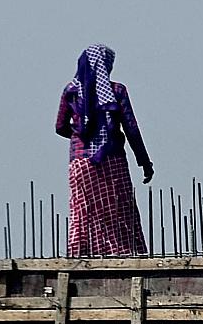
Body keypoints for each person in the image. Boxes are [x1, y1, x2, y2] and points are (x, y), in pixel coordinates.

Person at [54, 44, 154, 256]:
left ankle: (81, 254)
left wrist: (79, 135)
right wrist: (145, 162)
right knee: (118, 210)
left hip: (80, 163)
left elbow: (60, 126)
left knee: (82, 210)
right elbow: (131, 129)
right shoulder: (116, 91)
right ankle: (122, 254)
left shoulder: (71, 91)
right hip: (112, 159)